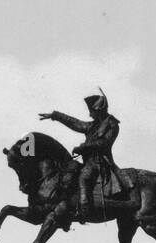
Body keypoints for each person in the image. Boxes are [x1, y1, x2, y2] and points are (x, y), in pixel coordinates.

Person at [39, 89, 133, 229]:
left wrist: (84, 147)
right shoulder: (93, 125)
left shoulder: (113, 125)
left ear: (99, 110)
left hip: (100, 163)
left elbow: (104, 143)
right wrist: (55, 115)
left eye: (92, 111)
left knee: (84, 176)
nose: (90, 114)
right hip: (88, 161)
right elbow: (76, 123)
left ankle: (83, 209)